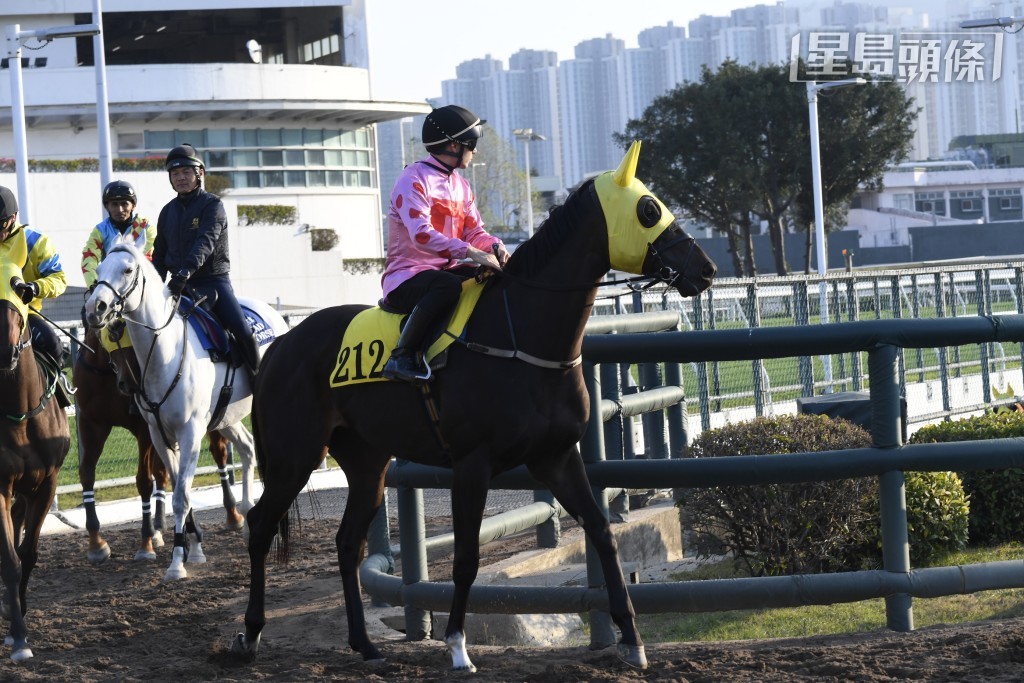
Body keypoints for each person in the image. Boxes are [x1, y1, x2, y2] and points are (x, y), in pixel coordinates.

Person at [381, 104, 509, 383]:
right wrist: (472, 253)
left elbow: (475, 231)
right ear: (453, 145)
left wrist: (495, 248)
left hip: (443, 272)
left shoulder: (461, 186)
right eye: (472, 144)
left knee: (494, 278)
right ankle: (402, 355)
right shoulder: (413, 179)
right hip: (407, 277)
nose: (475, 151)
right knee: (448, 287)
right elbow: (422, 235)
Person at [152, 143, 260, 379]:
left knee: (241, 330)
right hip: (178, 286)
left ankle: (260, 380)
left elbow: (206, 242)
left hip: (213, 282)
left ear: (200, 173)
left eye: (186, 172)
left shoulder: (213, 205)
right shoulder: (166, 212)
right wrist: (152, 285)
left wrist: (184, 272)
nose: (180, 178)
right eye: (175, 173)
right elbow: (159, 254)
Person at [0, 184, 73, 406]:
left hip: (26, 315)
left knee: (53, 343)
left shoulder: (35, 241)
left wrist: (35, 288)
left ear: (13, 218)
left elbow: (59, 279)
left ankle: (59, 387)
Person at [82, 180, 156, 288]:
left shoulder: (146, 226)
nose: (120, 209)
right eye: (114, 204)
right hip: (110, 286)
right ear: (107, 206)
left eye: (124, 204)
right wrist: (93, 283)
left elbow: (146, 258)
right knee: (88, 305)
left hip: (141, 286)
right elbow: (89, 258)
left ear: (133, 205)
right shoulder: (100, 230)